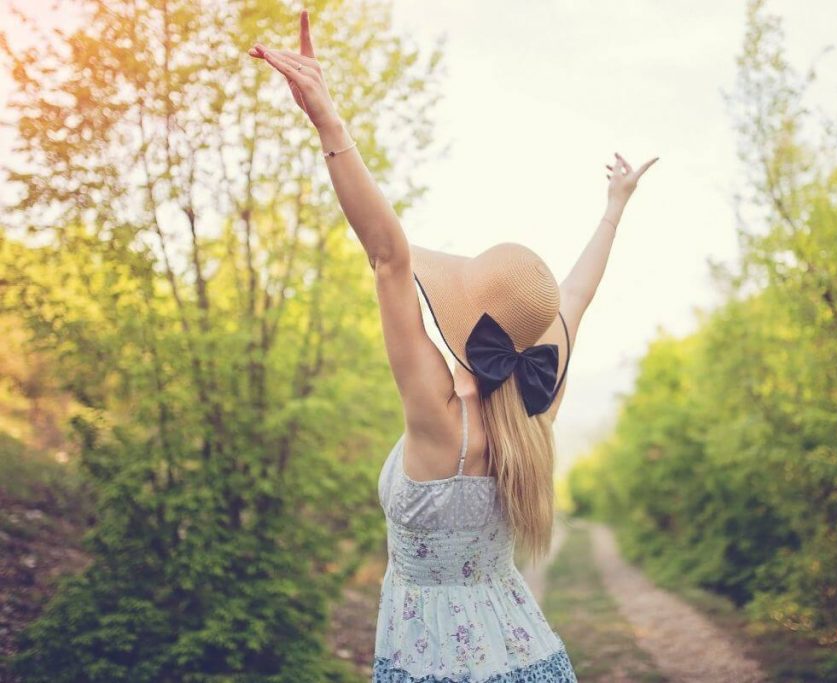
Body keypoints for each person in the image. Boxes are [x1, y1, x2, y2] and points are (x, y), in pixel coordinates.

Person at [249, 10, 657, 681]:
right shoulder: (534, 406)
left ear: (466, 318)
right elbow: (577, 296)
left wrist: (330, 124)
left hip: (428, 663)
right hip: (529, 657)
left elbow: (388, 257)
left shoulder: (439, 409)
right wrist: (614, 208)